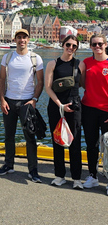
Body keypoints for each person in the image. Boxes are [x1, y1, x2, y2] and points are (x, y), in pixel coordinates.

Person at [0, 29, 44, 182]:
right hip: (10, 100)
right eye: (19, 38)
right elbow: (2, 80)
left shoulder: (35, 58)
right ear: (15, 40)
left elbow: (40, 82)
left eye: (24, 38)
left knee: (30, 137)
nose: (21, 40)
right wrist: (2, 100)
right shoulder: (8, 57)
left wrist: (35, 99)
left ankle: (33, 170)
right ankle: (8, 165)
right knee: (8, 136)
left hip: (27, 102)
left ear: (28, 40)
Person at [44, 35, 83, 189]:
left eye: (74, 46)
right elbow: (48, 87)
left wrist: (72, 101)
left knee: (75, 142)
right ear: (63, 45)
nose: (71, 48)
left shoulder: (80, 65)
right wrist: (60, 104)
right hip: (56, 106)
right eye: (68, 44)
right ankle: (60, 176)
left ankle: (77, 178)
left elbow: (82, 84)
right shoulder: (52, 64)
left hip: (74, 107)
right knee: (58, 141)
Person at [80, 33, 108, 191]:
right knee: (91, 145)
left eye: (100, 44)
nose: (97, 47)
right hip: (89, 108)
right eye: (94, 44)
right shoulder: (86, 62)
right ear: (90, 46)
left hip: (106, 110)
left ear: (105, 44)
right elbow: (80, 81)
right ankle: (92, 175)